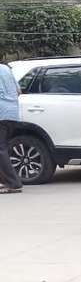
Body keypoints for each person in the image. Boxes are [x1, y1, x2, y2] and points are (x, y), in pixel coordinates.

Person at [0, 62, 24, 194]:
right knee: (3, 149)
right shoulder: (5, 69)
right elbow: (18, 91)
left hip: (1, 114)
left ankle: (13, 183)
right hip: (13, 114)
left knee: (1, 150)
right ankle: (6, 181)